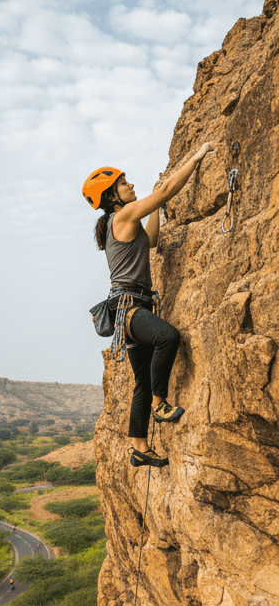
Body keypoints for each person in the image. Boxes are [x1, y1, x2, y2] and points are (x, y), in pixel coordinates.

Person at [83, 143, 214, 468]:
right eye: (124, 183)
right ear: (112, 195)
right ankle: (160, 404)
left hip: (127, 309)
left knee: (141, 380)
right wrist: (196, 156)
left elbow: (152, 241)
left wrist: (156, 206)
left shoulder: (127, 221)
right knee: (167, 337)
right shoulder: (122, 214)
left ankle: (140, 446)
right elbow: (169, 189)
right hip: (130, 307)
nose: (131, 185)